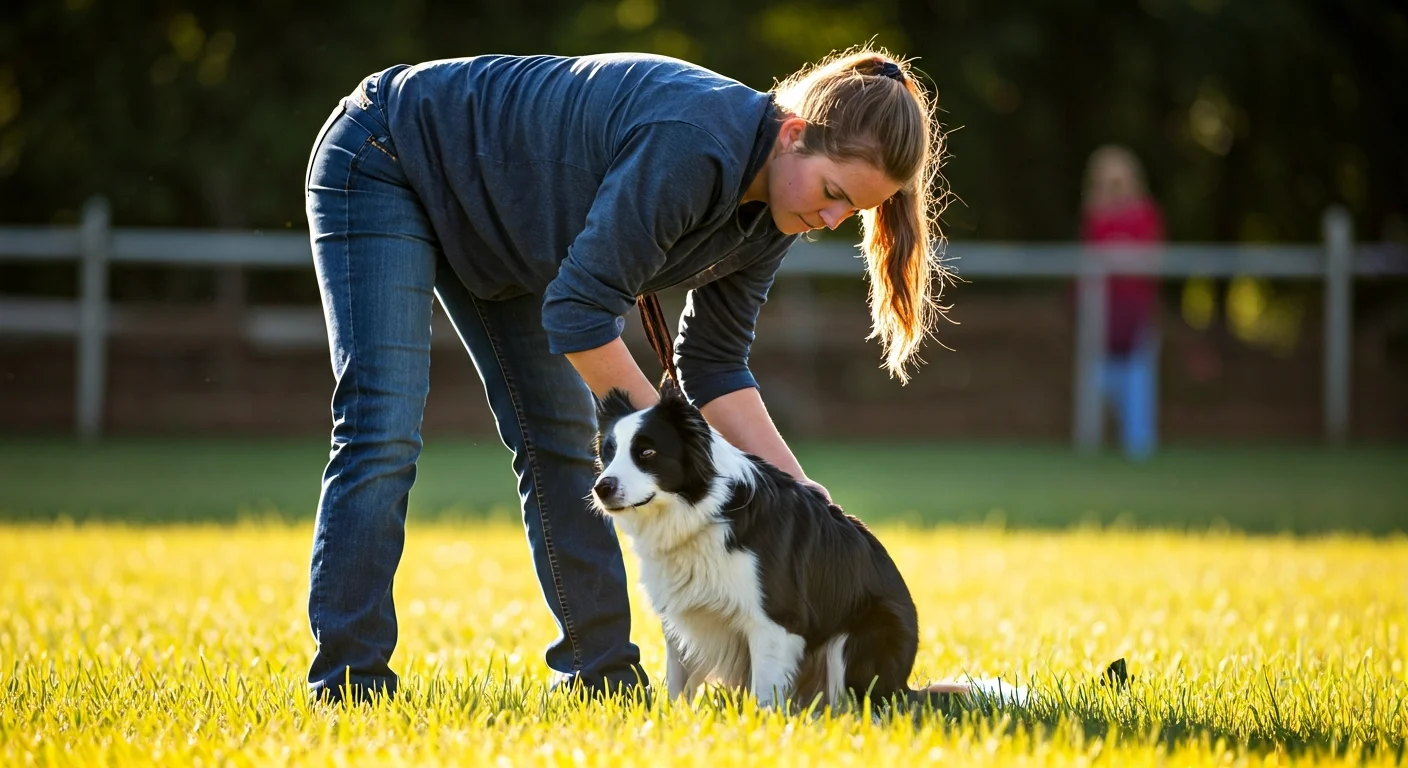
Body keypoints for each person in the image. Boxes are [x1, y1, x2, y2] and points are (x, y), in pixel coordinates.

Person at [302, 45, 948, 703]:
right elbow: (582, 312)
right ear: (791, 137)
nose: (832, 220)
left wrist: (807, 500)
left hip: (511, 237)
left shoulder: (777, 214)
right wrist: (681, 449)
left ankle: (601, 679)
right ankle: (348, 682)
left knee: (561, 440)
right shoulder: (693, 145)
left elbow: (713, 362)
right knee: (382, 425)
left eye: (852, 214)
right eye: (833, 194)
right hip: (393, 155)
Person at [1079, 145, 1166, 461]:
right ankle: (1092, 443)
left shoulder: (1145, 215)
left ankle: (1138, 448)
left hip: (1136, 317)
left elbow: (1150, 258)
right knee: (1100, 383)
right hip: (1101, 319)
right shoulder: (1095, 216)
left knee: (1138, 385)